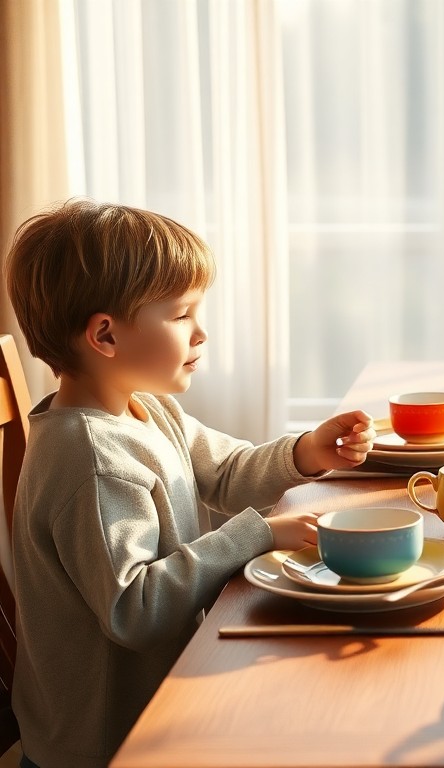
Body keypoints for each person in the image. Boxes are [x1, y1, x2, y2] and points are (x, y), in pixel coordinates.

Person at [4, 199, 378, 768]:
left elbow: (225, 473)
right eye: (181, 315)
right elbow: (136, 610)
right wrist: (257, 536)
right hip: (110, 746)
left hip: (165, 703)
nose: (201, 333)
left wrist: (306, 452)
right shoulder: (92, 460)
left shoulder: (145, 411)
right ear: (105, 335)